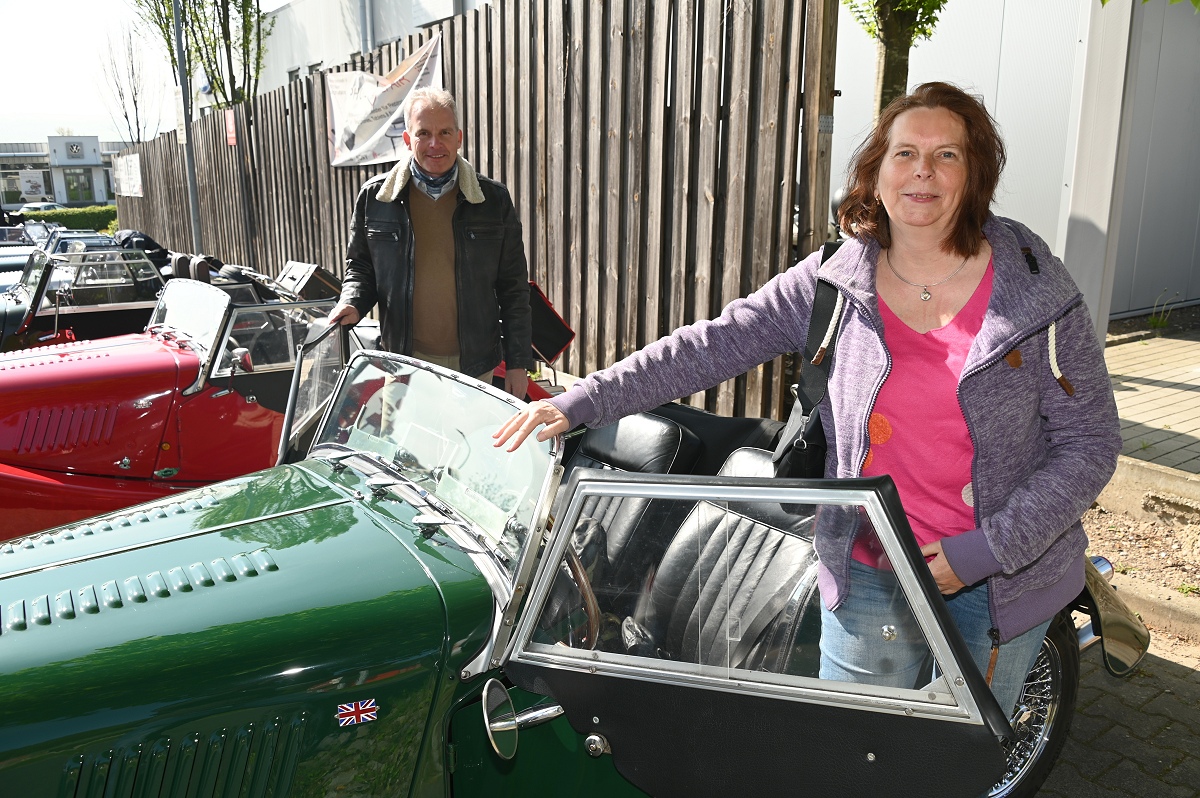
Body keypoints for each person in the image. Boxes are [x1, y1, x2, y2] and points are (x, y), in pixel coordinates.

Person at [493, 82, 1121, 718]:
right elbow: (711, 344)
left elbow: (1090, 443)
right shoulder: (835, 278)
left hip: (999, 581)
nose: (923, 171)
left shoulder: (1035, 290)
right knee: (854, 752)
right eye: (905, 153)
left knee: (961, 758)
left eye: (947, 155)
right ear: (876, 171)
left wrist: (983, 553)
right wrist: (583, 400)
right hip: (868, 564)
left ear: (975, 173)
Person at [329, 86, 534, 398]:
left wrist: (518, 363)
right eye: (423, 133)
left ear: (459, 138)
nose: (435, 144)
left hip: (475, 367)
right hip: (403, 366)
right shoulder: (376, 199)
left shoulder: (493, 200)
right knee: (400, 434)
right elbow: (361, 269)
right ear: (407, 139)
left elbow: (514, 288)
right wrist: (352, 302)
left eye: (444, 132)